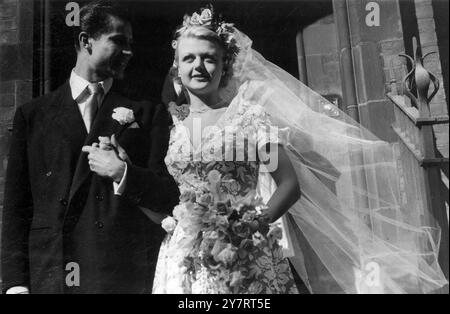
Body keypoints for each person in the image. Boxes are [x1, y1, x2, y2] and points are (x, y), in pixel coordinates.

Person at [151, 5, 448, 294]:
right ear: (177, 66)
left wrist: (248, 228)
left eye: (209, 59)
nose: (198, 66)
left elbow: (288, 185)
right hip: (183, 249)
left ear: (224, 65)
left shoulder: (248, 118)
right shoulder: (177, 124)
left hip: (242, 247)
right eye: (189, 58)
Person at [1, 0, 179, 294]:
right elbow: (17, 207)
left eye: (130, 44)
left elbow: (169, 194)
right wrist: (15, 285)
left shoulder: (148, 113)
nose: (129, 52)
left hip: (119, 272)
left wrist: (124, 173)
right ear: (86, 41)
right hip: (52, 269)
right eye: (118, 42)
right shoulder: (34, 115)